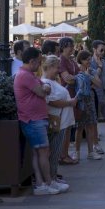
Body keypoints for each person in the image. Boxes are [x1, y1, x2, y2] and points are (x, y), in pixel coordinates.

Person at [13, 47, 63, 195]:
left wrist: (45, 87)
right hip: (32, 119)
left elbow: (44, 86)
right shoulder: (25, 75)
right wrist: (45, 88)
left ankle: (43, 183)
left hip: (35, 118)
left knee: (38, 152)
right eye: (39, 62)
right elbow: (42, 91)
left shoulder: (29, 74)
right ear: (32, 61)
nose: (40, 65)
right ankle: (46, 183)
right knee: (43, 151)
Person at [41, 55, 76, 190]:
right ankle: (51, 178)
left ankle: (53, 177)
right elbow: (51, 101)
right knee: (54, 151)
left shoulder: (52, 82)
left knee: (55, 151)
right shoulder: (46, 83)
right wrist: (69, 102)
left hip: (62, 122)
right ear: (49, 67)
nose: (58, 70)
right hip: (57, 122)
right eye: (56, 67)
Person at [73, 50, 103, 160]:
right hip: (80, 100)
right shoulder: (76, 71)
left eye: (90, 59)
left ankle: (91, 152)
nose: (89, 61)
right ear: (81, 60)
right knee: (79, 127)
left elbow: (99, 84)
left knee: (90, 126)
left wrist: (89, 76)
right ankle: (76, 152)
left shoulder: (91, 71)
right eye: (87, 59)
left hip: (89, 100)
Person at [58, 37, 80, 165]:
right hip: (65, 96)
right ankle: (63, 155)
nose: (71, 48)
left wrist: (77, 77)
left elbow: (78, 75)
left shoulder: (71, 60)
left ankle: (64, 154)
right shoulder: (62, 60)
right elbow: (68, 79)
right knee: (65, 127)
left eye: (72, 45)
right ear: (63, 47)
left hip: (72, 95)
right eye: (69, 46)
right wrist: (78, 77)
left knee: (69, 127)